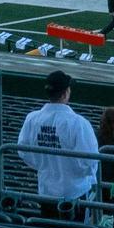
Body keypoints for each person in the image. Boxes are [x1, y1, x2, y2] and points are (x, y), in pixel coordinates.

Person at [18, 71, 99, 206]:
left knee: (50, 227)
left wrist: (44, 166)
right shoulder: (79, 123)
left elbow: (23, 152)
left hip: (46, 191)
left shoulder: (32, 119)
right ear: (66, 93)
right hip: (75, 193)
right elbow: (89, 162)